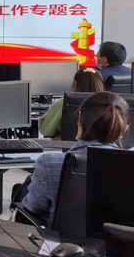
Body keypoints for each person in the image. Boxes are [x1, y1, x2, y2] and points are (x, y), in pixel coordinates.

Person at [21, 91, 129, 226]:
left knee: (23, 188)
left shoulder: (49, 163)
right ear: (124, 129)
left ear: (79, 120)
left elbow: (33, 207)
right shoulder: (128, 165)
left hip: (60, 239)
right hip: (117, 239)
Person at [38, 67, 105, 138]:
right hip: (100, 145)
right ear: (101, 84)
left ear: (75, 84)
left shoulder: (63, 102)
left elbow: (45, 130)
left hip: (66, 144)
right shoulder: (108, 103)